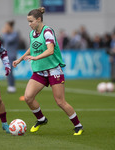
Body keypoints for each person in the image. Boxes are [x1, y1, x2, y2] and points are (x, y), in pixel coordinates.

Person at [13, 7, 84, 135]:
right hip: (39, 71)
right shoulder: (32, 33)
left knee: (60, 101)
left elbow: (50, 50)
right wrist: (20, 59)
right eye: (28, 22)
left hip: (53, 71)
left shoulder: (47, 32)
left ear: (39, 19)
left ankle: (78, 126)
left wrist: (36, 57)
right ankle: (41, 119)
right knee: (28, 98)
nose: (29, 24)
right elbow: (32, 47)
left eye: (31, 21)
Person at [2, 20, 19, 93]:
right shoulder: (7, 34)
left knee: (10, 71)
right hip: (6, 55)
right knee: (8, 71)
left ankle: (11, 87)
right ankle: (10, 86)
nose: (5, 28)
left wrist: (4, 34)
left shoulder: (15, 34)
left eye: (6, 26)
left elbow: (9, 40)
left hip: (12, 55)